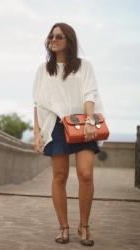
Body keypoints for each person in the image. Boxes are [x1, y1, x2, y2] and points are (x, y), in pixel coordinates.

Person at [32, 22, 105, 246]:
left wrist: (91, 121)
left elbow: (89, 94)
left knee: (85, 174)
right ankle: (63, 227)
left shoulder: (84, 66)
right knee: (60, 176)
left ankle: (84, 226)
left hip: (82, 123)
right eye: (51, 36)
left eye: (58, 36)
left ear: (69, 41)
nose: (52, 39)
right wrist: (37, 133)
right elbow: (38, 103)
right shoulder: (43, 69)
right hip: (55, 125)